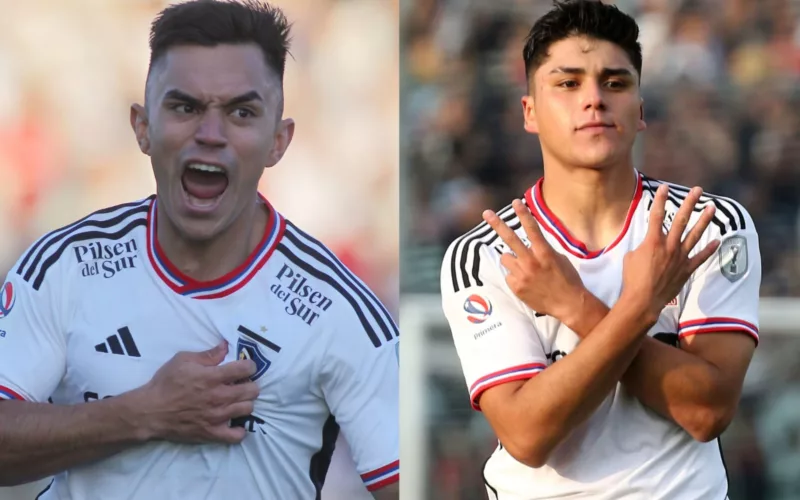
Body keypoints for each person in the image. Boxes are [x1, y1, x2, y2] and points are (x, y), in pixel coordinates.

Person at [0, 1, 399, 498]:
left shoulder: (338, 308)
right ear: (142, 127)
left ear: (279, 140)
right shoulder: (65, 266)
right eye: (185, 107)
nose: (210, 135)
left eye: (241, 112)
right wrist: (143, 413)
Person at [440, 1, 760, 499]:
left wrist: (574, 305)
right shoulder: (483, 253)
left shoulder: (708, 225)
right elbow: (527, 435)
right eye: (567, 84)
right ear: (530, 111)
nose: (594, 99)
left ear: (640, 109)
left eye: (615, 82)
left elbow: (708, 413)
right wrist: (639, 308)